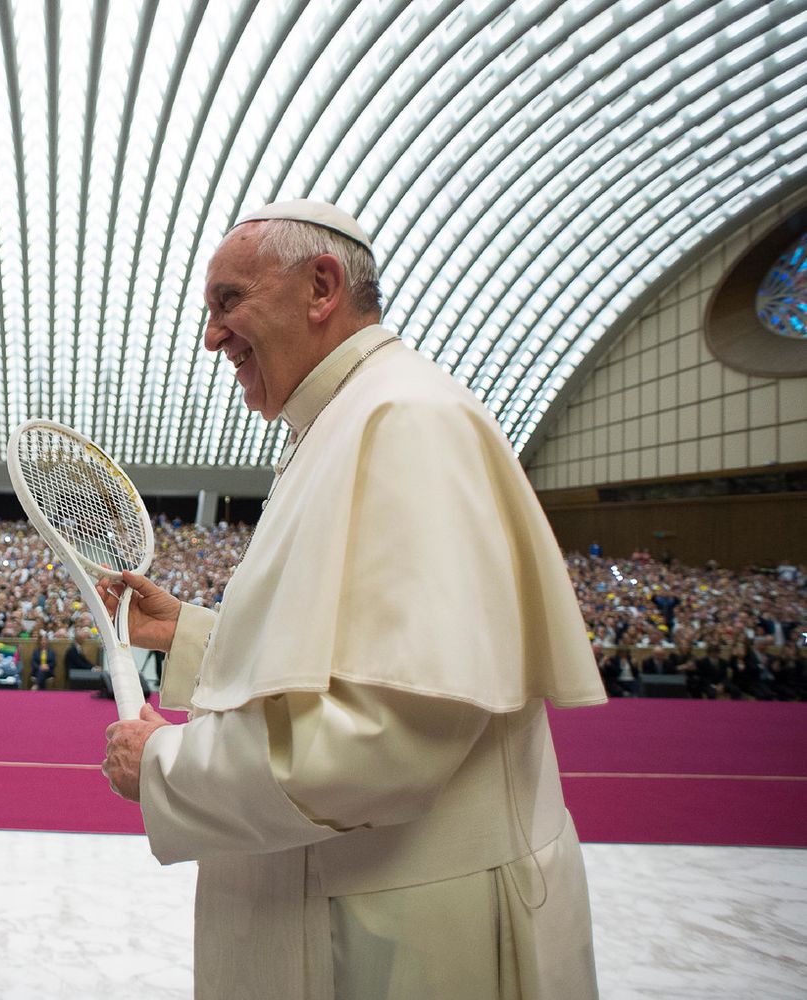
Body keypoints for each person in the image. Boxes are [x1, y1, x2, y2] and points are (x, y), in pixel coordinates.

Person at [99, 199, 607, 999]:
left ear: (321, 286)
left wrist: (166, 766)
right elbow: (344, 651)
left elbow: (382, 738)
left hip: (410, 943)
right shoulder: (345, 419)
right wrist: (190, 637)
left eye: (229, 301)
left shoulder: (405, 419)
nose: (211, 337)